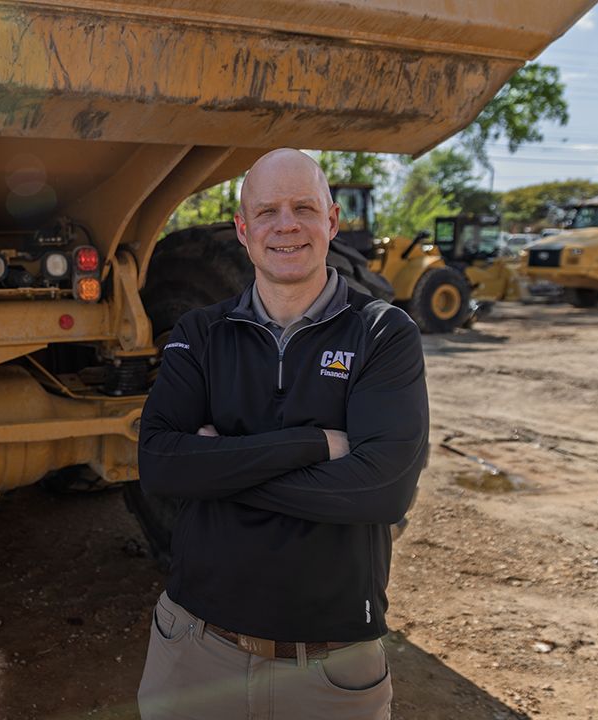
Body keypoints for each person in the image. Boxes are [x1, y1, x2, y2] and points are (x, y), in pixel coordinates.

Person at [135, 148, 428, 720]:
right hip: (194, 650)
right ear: (243, 230)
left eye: (303, 208)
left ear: (332, 221)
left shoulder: (382, 334)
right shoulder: (200, 332)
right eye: (267, 211)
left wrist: (217, 469)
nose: (286, 225)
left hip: (328, 670)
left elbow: (380, 492)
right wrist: (313, 444)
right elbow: (160, 465)